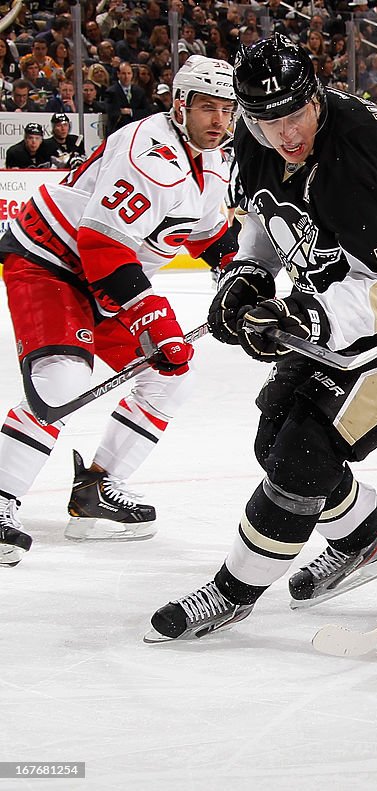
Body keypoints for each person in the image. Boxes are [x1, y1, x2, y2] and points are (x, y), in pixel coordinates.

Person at [145, 35, 377, 642]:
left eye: (295, 114)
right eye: (266, 120)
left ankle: (232, 594)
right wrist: (248, 276)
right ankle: (364, 543)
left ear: (316, 96)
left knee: (307, 447)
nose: (286, 134)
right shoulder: (257, 146)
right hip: (366, 303)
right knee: (276, 429)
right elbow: (266, 217)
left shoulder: (357, 151)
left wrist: (296, 320)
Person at [0, 57, 238, 566]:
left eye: (226, 109)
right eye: (206, 108)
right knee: (62, 381)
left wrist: (244, 279)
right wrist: (154, 318)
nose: (217, 120)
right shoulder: (148, 155)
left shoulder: (213, 160)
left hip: (104, 277)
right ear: (180, 105)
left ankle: (97, 490)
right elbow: (101, 248)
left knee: (171, 378)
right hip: (52, 261)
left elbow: (207, 235)